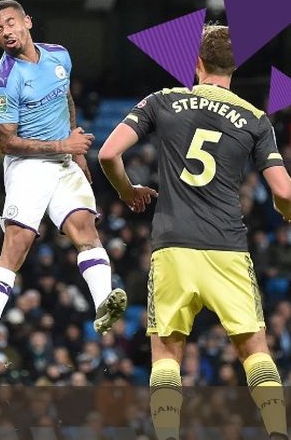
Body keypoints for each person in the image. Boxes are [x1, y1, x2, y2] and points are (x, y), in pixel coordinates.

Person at [98, 25, 291, 440]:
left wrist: (127, 190)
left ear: (197, 63)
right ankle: (278, 432)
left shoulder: (162, 100)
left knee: (167, 352)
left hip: (173, 247)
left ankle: (167, 434)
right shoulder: (256, 120)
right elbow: (284, 191)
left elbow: (109, 153)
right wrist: (284, 210)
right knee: (254, 348)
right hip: (227, 248)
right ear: (234, 67)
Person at [0, 0, 127, 374]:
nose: (5, 32)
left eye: (10, 23)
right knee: (18, 245)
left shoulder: (59, 55)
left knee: (85, 229)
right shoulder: (4, 79)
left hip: (64, 161)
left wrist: (77, 150)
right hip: (27, 166)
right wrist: (65, 147)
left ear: (28, 21)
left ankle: (105, 304)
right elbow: (6, 143)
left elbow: (66, 96)